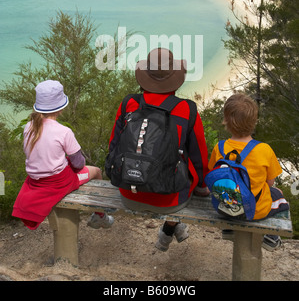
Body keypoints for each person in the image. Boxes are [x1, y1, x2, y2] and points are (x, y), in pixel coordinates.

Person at [95, 48, 209, 251]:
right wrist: (201, 186)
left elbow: (113, 146)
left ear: (145, 77)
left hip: (129, 194)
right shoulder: (187, 109)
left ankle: (171, 229)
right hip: (171, 200)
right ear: (175, 78)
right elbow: (199, 158)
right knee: (187, 164)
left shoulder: (128, 104)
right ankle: (170, 228)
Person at [12, 80, 113, 230]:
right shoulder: (64, 131)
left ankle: (99, 216)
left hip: (35, 181)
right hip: (59, 182)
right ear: (61, 108)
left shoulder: (29, 126)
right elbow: (78, 163)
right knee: (96, 171)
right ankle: (100, 217)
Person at [208, 93, 289, 251]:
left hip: (225, 208)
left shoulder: (220, 147)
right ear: (254, 122)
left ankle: (229, 228)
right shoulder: (264, 150)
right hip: (254, 211)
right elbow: (270, 183)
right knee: (278, 194)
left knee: (230, 187)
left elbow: (213, 172)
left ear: (225, 121)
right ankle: (271, 238)